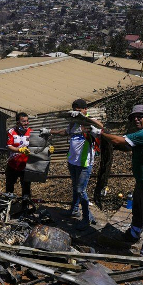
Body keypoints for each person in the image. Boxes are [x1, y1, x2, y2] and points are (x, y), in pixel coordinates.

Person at [99, 105, 143, 259]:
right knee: (137, 210)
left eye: (139, 116)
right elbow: (127, 146)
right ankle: (133, 234)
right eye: (133, 117)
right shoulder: (141, 135)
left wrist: (102, 134)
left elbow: (117, 139)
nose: (136, 119)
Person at [50, 99, 103, 230]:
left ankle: (86, 218)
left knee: (81, 190)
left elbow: (101, 127)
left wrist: (84, 118)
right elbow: (66, 132)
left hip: (84, 163)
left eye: (79, 111)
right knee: (75, 187)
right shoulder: (74, 123)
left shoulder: (89, 121)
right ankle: (74, 210)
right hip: (72, 161)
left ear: (85, 110)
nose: (76, 113)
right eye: (75, 111)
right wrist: (50, 131)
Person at [6, 112, 32, 210]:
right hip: (12, 164)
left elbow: (37, 145)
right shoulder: (11, 131)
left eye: (27, 121)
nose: (26, 123)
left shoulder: (31, 132)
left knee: (26, 188)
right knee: (9, 186)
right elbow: (9, 146)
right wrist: (19, 150)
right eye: (23, 121)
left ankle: (24, 208)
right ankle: (7, 206)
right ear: (18, 122)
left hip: (25, 165)